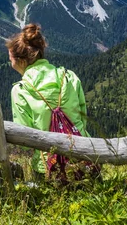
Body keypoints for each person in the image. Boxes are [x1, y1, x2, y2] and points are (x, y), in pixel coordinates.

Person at [7, 23, 90, 177]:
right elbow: (83, 118)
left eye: (11, 58)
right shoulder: (69, 77)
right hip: (83, 157)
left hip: (47, 165)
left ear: (21, 60)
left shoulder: (21, 90)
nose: (10, 63)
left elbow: (23, 136)